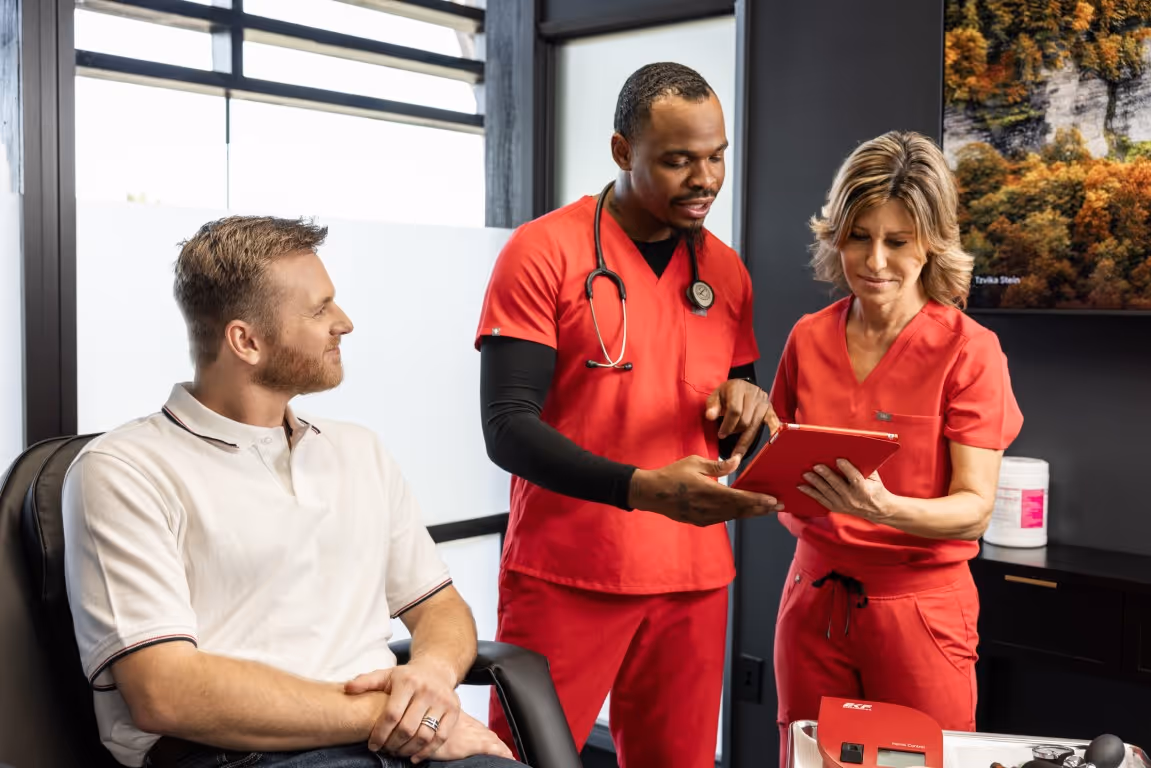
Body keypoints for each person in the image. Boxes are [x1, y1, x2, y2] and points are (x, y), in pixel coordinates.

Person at [62, 216, 523, 768]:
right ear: (246, 341)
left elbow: (439, 607)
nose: (344, 322)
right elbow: (164, 693)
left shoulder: (359, 451)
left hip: (393, 741)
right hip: (239, 754)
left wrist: (431, 677)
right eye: (319, 309)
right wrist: (393, 717)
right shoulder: (125, 469)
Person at [475, 62, 782, 767]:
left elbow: (734, 406)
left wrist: (751, 403)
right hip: (568, 571)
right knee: (521, 760)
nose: (704, 179)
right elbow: (506, 425)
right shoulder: (542, 252)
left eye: (715, 157)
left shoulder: (726, 272)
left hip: (692, 577)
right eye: (677, 161)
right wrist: (641, 489)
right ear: (621, 152)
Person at [769, 131, 1024, 761]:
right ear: (836, 236)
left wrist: (883, 510)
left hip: (919, 611)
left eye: (897, 241)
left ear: (932, 242)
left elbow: (973, 506)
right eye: (859, 236)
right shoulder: (808, 337)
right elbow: (774, 464)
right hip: (811, 598)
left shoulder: (969, 350)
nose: (875, 261)